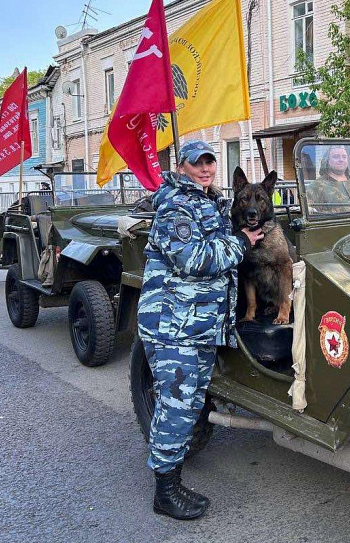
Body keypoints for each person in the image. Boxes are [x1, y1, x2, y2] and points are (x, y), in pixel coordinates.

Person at [137, 140, 264, 520]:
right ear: (182, 167)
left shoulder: (209, 201)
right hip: (173, 325)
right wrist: (241, 242)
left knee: (191, 403)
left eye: (210, 161)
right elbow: (195, 260)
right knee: (175, 407)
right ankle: (164, 491)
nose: (206, 168)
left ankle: (172, 480)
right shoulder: (176, 206)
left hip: (198, 325)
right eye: (198, 163)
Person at [306, 145, 350, 214]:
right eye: (336, 157)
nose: (341, 160)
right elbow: (310, 214)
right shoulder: (316, 186)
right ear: (327, 160)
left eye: (344, 157)